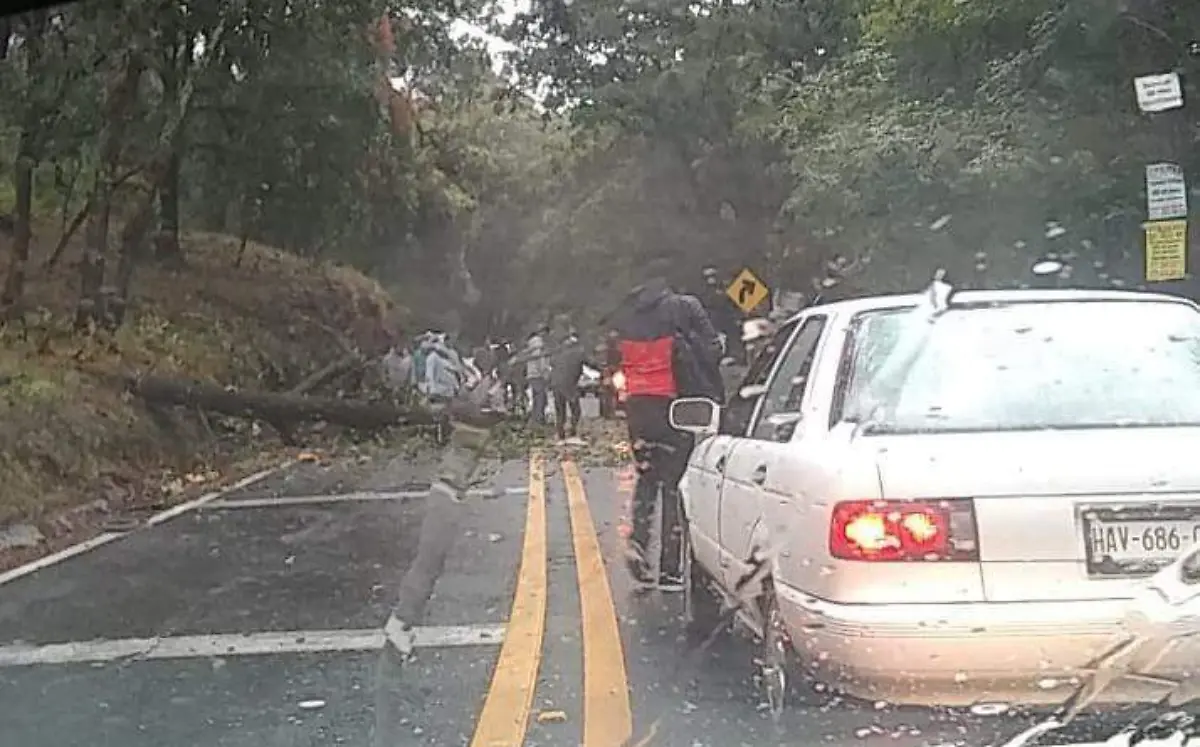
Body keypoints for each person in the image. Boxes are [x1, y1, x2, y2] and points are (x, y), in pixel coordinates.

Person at [614, 258, 722, 590]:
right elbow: (712, 349)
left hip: (637, 407)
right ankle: (671, 569)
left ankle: (638, 542)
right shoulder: (686, 307)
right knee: (675, 485)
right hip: (677, 407)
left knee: (647, 477)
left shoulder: (628, 314)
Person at [550, 327, 589, 440]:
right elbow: (590, 362)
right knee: (575, 409)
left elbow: (552, 363)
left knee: (560, 410)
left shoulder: (558, 351)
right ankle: (573, 429)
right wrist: (602, 369)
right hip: (569, 384)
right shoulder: (579, 351)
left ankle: (560, 432)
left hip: (556, 383)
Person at [523, 324, 552, 426]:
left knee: (537, 397)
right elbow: (540, 359)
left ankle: (535, 419)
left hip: (532, 373)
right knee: (541, 398)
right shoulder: (539, 343)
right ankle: (539, 420)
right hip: (538, 374)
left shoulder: (531, 343)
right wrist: (544, 372)